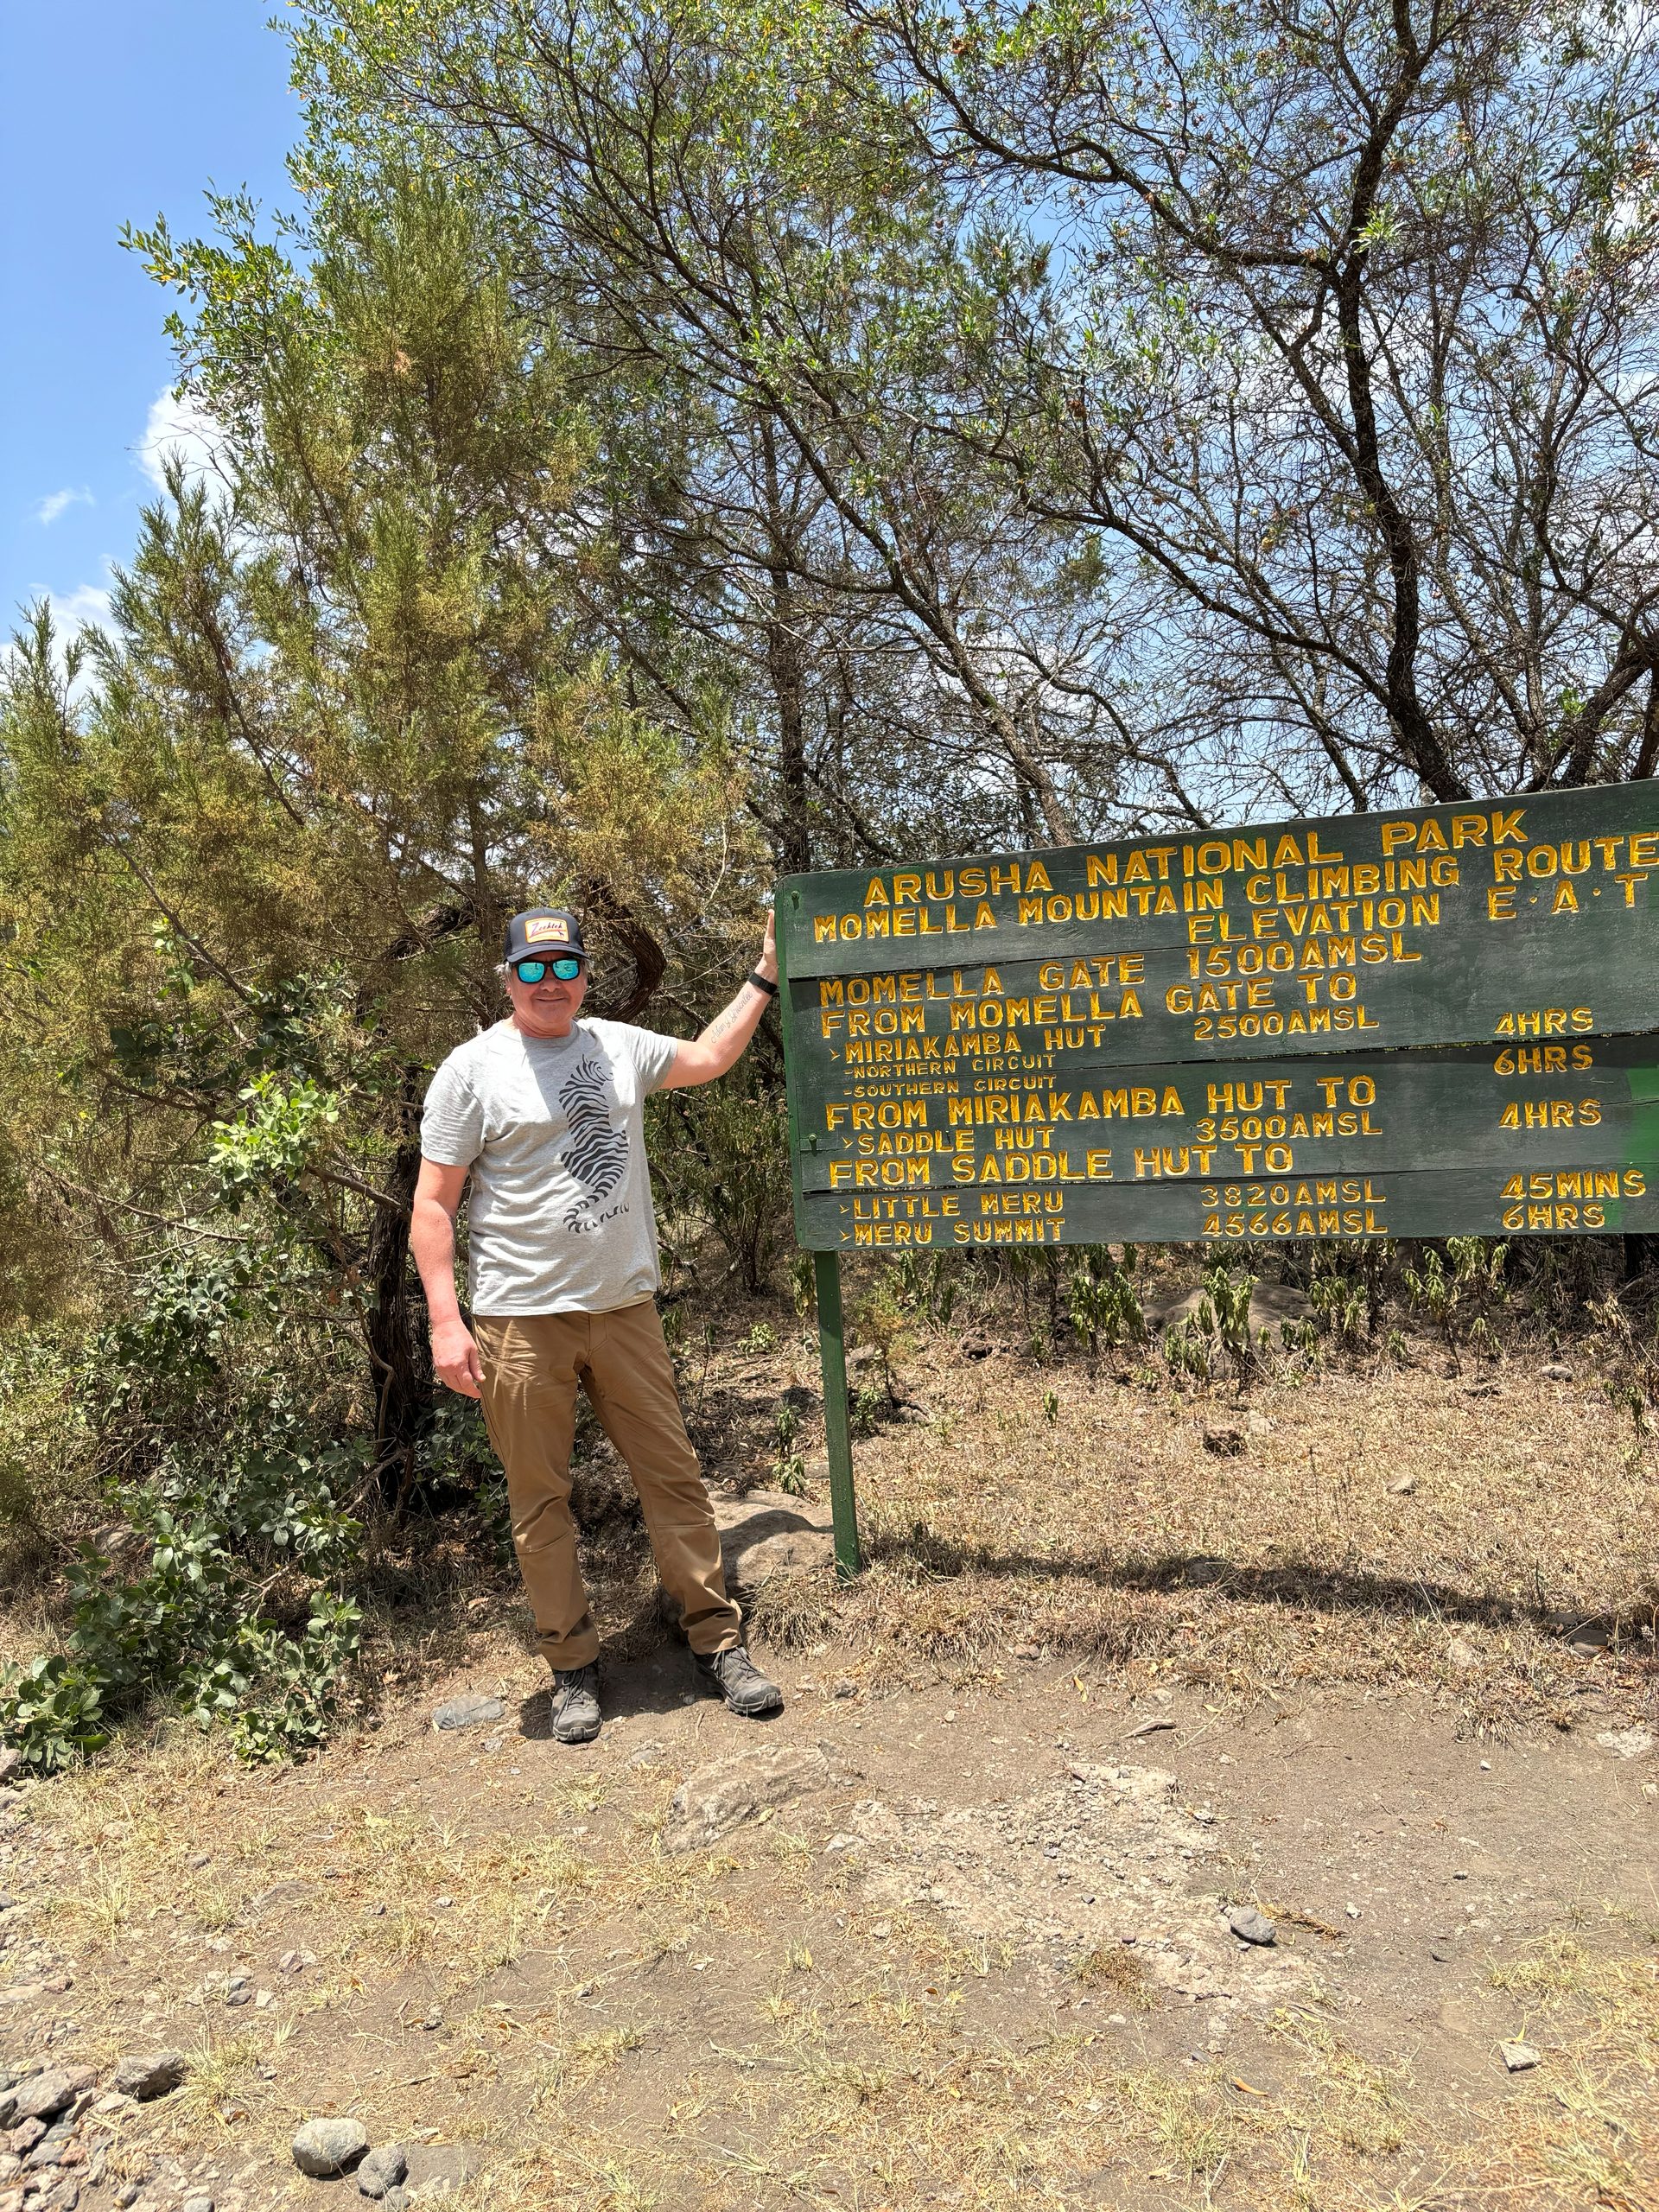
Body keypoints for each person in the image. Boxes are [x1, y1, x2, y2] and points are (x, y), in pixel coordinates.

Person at [411, 904, 785, 1744]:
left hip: (624, 1310)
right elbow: (432, 1208)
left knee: (675, 1478)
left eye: (564, 966)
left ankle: (717, 1643)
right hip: (517, 1323)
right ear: (509, 979)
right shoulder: (471, 1071)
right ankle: (572, 1668)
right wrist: (444, 1318)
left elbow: (714, 1056)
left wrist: (766, 972)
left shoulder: (619, 1044)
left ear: (584, 972)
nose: (551, 983)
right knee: (539, 1500)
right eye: (533, 970)